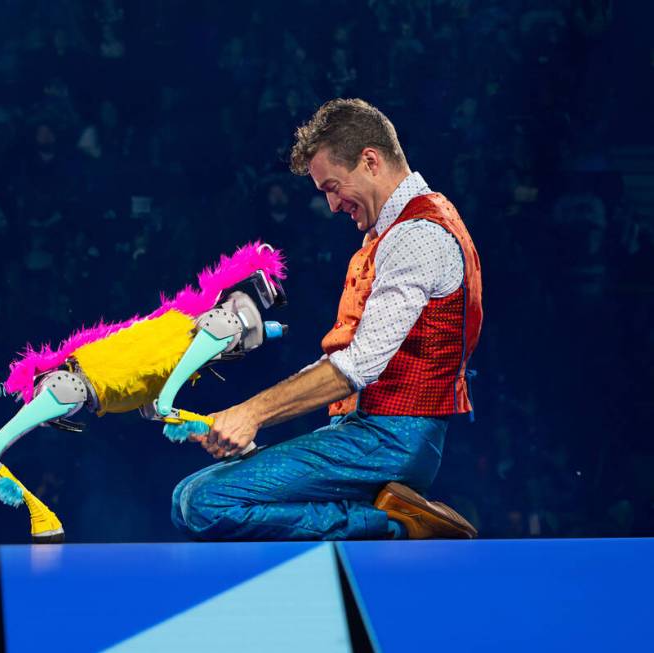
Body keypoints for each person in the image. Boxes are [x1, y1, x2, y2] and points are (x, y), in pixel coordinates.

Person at [171, 98, 481, 540]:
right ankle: (367, 513)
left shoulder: (419, 237)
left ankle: (394, 526)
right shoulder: (393, 232)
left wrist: (252, 414)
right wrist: (242, 414)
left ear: (370, 161)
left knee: (206, 503)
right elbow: (349, 358)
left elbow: (358, 367)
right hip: (365, 431)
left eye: (333, 187)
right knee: (185, 499)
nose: (333, 205)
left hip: (392, 441)